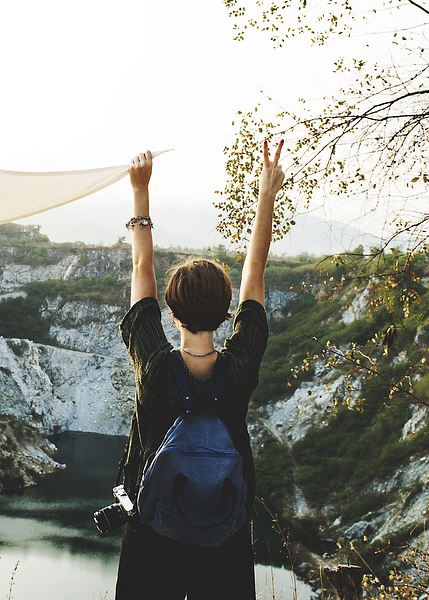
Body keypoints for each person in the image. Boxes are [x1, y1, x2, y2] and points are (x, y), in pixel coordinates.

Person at [114, 141, 286, 599]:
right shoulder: (241, 367)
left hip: (152, 534)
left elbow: (141, 265)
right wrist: (266, 196)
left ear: (171, 312)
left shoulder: (154, 367)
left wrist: (140, 191)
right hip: (224, 536)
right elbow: (256, 269)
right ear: (227, 311)